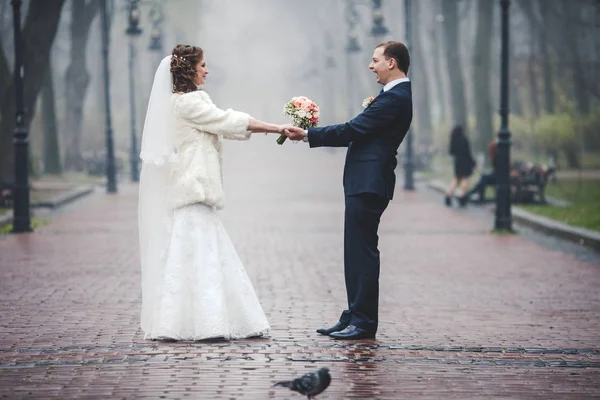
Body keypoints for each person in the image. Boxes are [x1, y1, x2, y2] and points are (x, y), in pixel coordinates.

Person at [138, 44, 288, 341]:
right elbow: (228, 121)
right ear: (188, 69)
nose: (206, 70)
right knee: (202, 256)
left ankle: (182, 321)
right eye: (202, 64)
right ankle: (206, 323)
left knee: (192, 257)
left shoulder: (174, 103)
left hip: (190, 188)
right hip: (195, 188)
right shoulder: (189, 103)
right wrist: (277, 128)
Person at [284, 41, 412, 340]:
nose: (371, 65)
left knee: (362, 253)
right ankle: (355, 313)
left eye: (375, 60)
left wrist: (308, 135)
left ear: (391, 63)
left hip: (369, 183)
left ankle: (364, 321)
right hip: (364, 182)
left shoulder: (395, 98)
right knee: (354, 252)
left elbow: (353, 129)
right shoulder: (389, 96)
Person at [445, 125, 476, 207]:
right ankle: (462, 196)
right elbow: (468, 153)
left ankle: (448, 194)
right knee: (465, 179)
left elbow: (451, 152)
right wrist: (473, 163)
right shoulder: (464, 139)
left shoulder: (453, 140)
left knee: (456, 179)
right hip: (465, 162)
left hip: (457, 162)